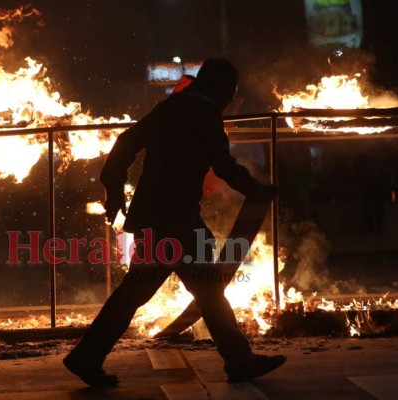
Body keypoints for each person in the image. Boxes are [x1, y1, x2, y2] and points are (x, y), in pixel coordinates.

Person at [64, 58, 286, 386]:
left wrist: (113, 188)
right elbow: (222, 163)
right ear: (221, 88)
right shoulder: (203, 111)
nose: (229, 100)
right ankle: (238, 361)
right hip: (174, 219)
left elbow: (127, 141)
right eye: (231, 93)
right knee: (201, 290)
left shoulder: (171, 106)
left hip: (159, 216)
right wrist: (257, 189)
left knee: (151, 291)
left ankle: (86, 357)